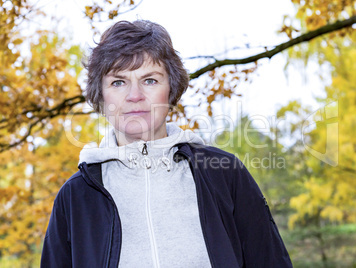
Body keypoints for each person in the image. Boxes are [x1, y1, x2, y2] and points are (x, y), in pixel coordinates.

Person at [41, 20, 293, 268]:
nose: (135, 96)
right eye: (118, 82)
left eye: (150, 80)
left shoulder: (224, 174)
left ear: (171, 88)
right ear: (101, 94)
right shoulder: (75, 196)